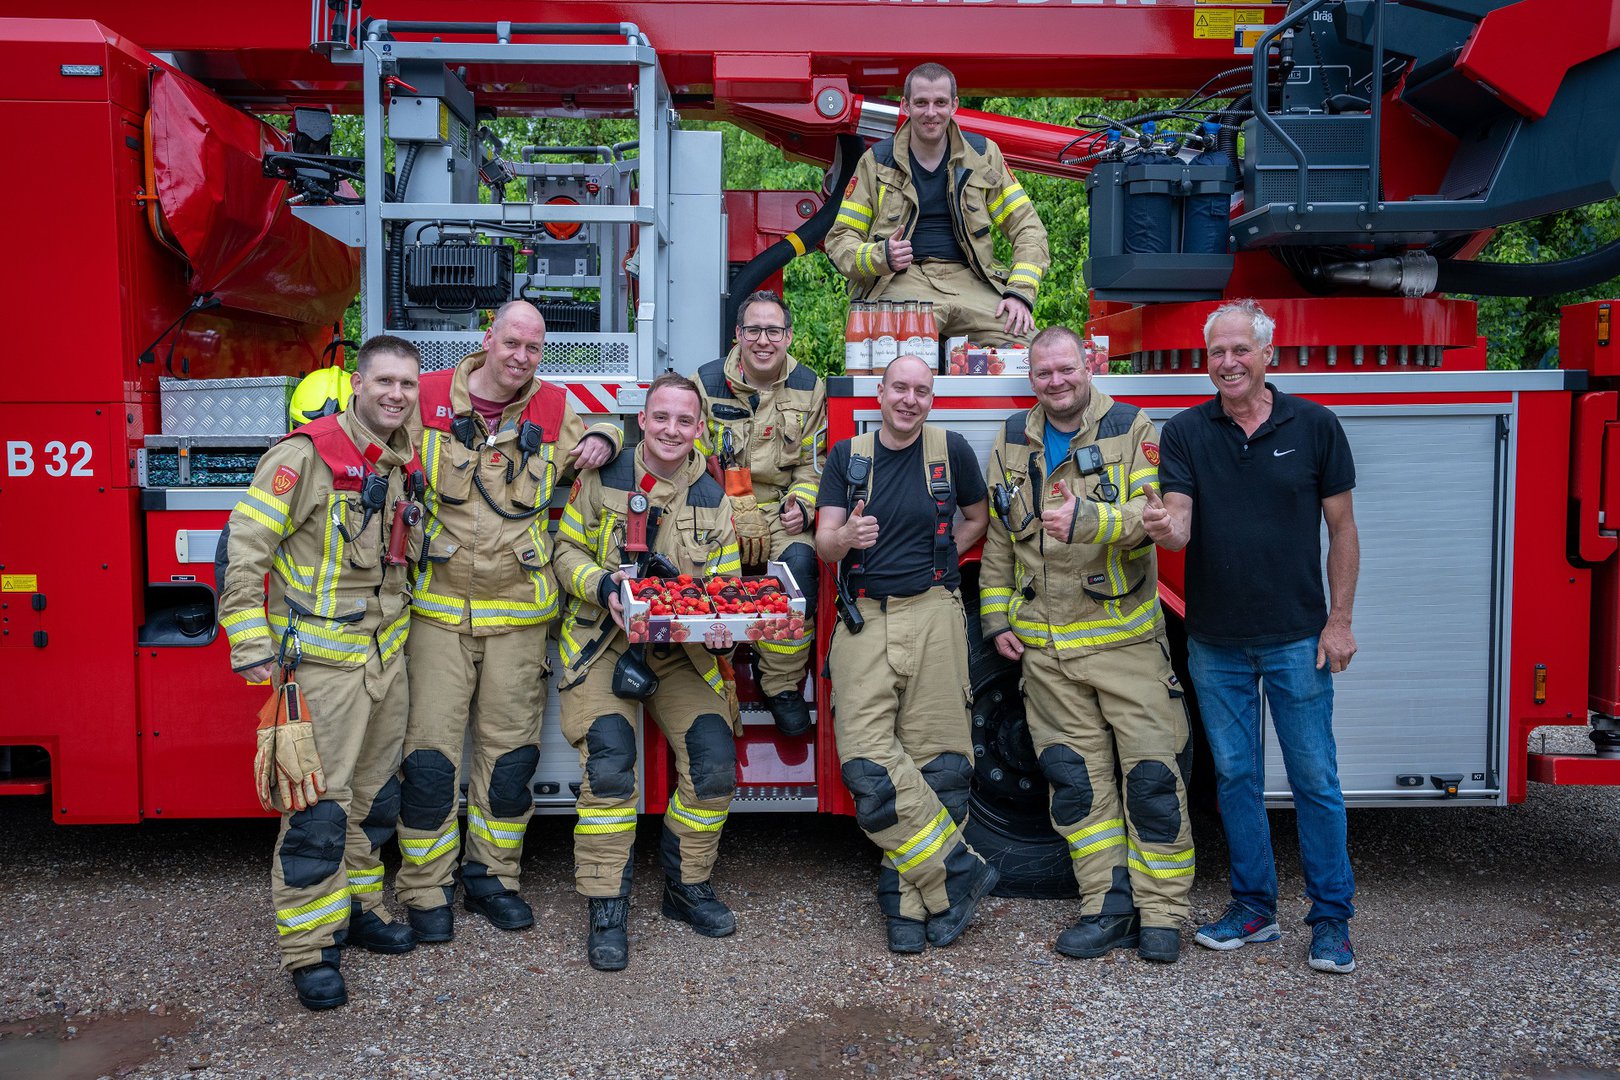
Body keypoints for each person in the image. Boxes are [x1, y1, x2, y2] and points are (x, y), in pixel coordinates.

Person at [1142, 298, 1361, 974]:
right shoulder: (1185, 434)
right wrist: (1160, 526)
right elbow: (1179, 522)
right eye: (1217, 353)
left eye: (1240, 350)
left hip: (1299, 637)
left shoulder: (1316, 427)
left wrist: (1340, 621)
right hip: (1216, 642)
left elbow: (1343, 530)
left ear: (1270, 353)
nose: (1228, 363)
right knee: (1235, 778)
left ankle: (1331, 922)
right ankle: (1255, 909)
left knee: (1315, 780)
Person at [394, 301, 620, 942]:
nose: (521, 358)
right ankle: (426, 887)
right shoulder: (430, 397)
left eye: (533, 348)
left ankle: (494, 877)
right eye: (512, 343)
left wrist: (608, 437)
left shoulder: (551, 410)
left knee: (511, 756)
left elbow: (607, 434)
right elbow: (367, 444)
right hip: (437, 612)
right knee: (432, 758)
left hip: (520, 615)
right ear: (487, 339)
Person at [218, 335, 426, 1011]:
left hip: (383, 661)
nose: (396, 394)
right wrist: (249, 643)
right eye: (385, 381)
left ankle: (356, 910)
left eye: (407, 384)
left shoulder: (400, 459)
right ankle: (310, 949)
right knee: (315, 812)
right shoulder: (303, 457)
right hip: (323, 666)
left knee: (369, 802)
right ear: (358, 384)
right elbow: (244, 553)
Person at [979, 326, 1194, 964]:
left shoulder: (1134, 428)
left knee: (1153, 779)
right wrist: (996, 619)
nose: (1056, 382)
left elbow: (1153, 520)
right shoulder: (1013, 440)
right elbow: (998, 535)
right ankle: (1106, 905)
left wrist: (1091, 520)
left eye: (1065, 369)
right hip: (1046, 654)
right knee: (1078, 786)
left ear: (1087, 365)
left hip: (1124, 645)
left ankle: (1162, 915)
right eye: (1043, 373)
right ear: (1032, 379)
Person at [552, 372, 743, 972]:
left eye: (685, 421)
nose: (671, 430)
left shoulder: (713, 497)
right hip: (602, 641)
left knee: (713, 765)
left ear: (698, 429)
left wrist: (720, 624)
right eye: (661, 417)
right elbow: (565, 553)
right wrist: (604, 584)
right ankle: (607, 904)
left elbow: (729, 585)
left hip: (682, 651)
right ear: (643, 419)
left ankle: (687, 886)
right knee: (610, 768)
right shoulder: (604, 477)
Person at [815, 354, 998, 954]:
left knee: (939, 766)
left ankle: (912, 906)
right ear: (881, 391)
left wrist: (940, 553)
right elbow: (823, 542)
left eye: (922, 390)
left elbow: (978, 518)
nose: (910, 399)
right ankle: (957, 872)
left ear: (931, 398)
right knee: (869, 766)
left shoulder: (952, 452)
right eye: (900, 387)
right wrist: (846, 540)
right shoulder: (850, 456)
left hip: (935, 613)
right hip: (864, 617)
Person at [824, 63, 1050, 348]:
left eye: (940, 102)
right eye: (921, 103)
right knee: (886, 357)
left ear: (954, 105)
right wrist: (881, 255)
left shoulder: (983, 155)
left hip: (972, 282)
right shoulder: (876, 161)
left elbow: (1028, 228)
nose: (931, 113)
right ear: (905, 105)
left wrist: (1019, 292)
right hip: (901, 283)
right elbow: (840, 240)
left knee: (1033, 353)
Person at [694, 291, 826, 735]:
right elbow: (688, 456)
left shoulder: (810, 386)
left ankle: (781, 685)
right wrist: (717, 509)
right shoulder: (706, 381)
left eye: (773, 331)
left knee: (801, 568)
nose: (763, 340)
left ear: (788, 336)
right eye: (754, 330)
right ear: (738, 335)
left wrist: (803, 503)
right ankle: (716, 680)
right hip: (716, 508)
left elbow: (813, 464)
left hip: (778, 509)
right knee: (709, 579)